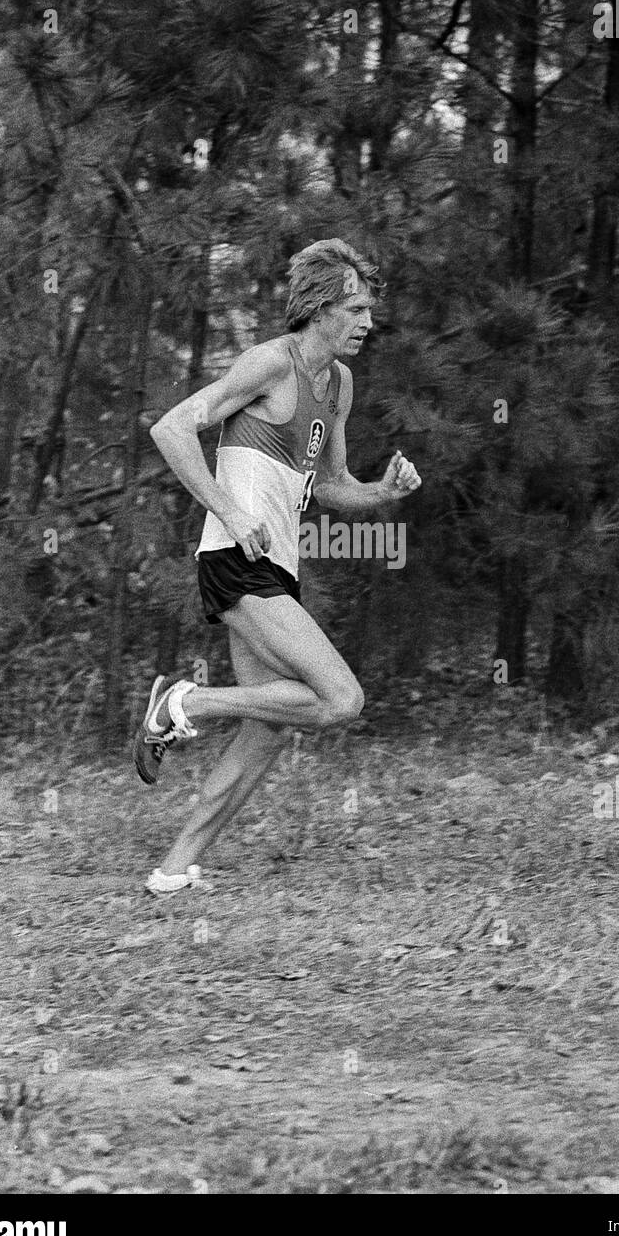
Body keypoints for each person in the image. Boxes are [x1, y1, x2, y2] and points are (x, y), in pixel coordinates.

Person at [133, 238, 422, 893]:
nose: (367, 322)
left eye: (368, 309)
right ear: (319, 308)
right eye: (354, 308)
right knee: (341, 699)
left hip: (275, 567)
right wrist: (231, 512)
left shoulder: (339, 383)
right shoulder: (269, 363)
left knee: (266, 732)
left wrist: (384, 491)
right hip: (235, 560)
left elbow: (331, 484)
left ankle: (173, 871)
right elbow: (173, 428)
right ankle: (186, 702)